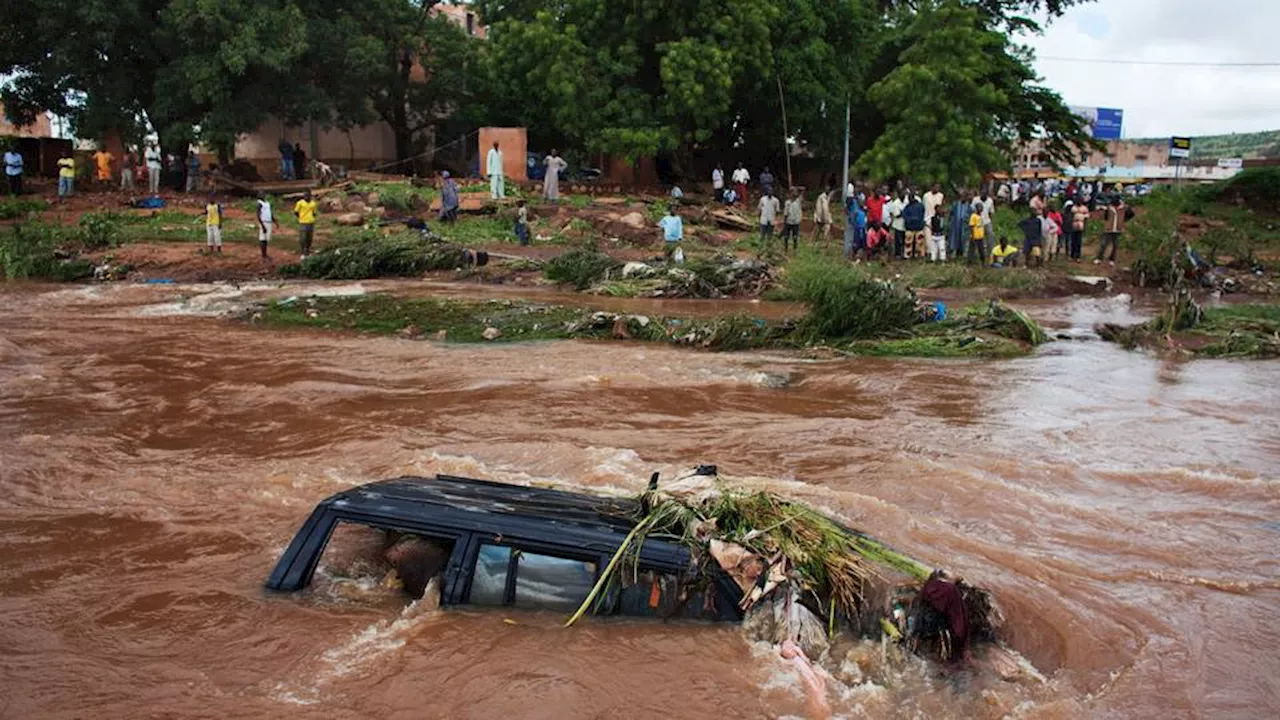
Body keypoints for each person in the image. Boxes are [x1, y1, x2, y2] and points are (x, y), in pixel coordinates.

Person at [1095, 196, 1126, 266]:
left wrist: (1121, 221)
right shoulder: (1109, 209)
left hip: (1118, 229)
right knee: (1104, 244)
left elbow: (1130, 214)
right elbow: (1105, 217)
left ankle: (1112, 259)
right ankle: (1099, 258)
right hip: (1109, 229)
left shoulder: (1122, 209)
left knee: (1115, 245)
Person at [293, 190, 318, 258]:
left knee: (309, 237)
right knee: (303, 237)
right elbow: (296, 212)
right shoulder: (300, 203)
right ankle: (303, 251)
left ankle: (308, 250)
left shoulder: (313, 203)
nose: (306, 197)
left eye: (308, 196)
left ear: (310, 196)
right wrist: (300, 217)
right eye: (305, 196)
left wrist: (312, 218)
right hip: (303, 222)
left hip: (311, 222)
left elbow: (314, 213)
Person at [902, 191, 926, 260]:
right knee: (908, 243)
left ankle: (919, 256)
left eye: (910, 198)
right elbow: (905, 217)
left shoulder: (920, 206)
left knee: (920, 243)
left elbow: (922, 215)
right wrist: (911, 220)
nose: (910, 199)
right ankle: (908, 256)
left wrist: (914, 220)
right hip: (910, 227)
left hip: (918, 227)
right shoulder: (907, 207)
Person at [946, 193, 970, 259]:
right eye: (962, 197)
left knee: (964, 238)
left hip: (964, 225)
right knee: (954, 238)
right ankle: (953, 252)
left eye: (965, 197)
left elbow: (970, 215)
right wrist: (949, 223)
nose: (963, 198)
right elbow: (951, 214)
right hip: (955, 224)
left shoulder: (968, 206)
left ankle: (963, 254)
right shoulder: (955, 204)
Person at [779, 189, 803, 253]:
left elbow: (802, 192)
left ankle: (794, 249)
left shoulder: (798, 202)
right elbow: (786, 213)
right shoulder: (788, 203)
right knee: (786, 236)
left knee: (795, 237)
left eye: (795, 195)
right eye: (793, 195)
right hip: (789, 222)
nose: (794, 196)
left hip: (796, 222)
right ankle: (785, 249)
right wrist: (785, 221)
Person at [202, 192, 224, 256]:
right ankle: (211, 250)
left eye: (212, 198)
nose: (211, 199)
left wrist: (220, 223)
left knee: (217, 237)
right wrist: (203, 213)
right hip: (209, 223)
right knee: (210, 237)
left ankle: (219, 250)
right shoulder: (207, 206)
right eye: (210, 198)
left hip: (216, 223)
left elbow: (220, 215)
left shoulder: (217, 206)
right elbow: (206, 212)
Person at [887, 189, 906, 259]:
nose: (903, 196)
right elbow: (897, 215)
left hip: (905, 225)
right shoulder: (895, 203)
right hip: (898, 225)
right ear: (899, 195)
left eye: (904, 194)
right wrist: (904, 213)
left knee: (905, 241)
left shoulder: (906, 202)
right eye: (901, 194)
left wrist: (903, 213)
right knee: (898, 241)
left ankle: (904, 254)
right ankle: (897, 254)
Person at [1069, 196, 1090, 262]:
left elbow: (1086, 217)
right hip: (1074, 224)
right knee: (1073, 241)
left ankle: (1078, 256)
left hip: (1081, 224)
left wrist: (1085, 227)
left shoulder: (1084, 208)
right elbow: (1070, 216)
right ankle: (1072, 255)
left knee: (1078, 241)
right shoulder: (1073, 208)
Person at [256, 192, 276, 260]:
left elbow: (270, 212)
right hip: (264, 222)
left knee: (266, 239)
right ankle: (263, 255)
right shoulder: (259, 203)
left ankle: (265, 254)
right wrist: (262, 225)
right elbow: (258, 215)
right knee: (263, 239)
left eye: (263, 194)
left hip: (269, 222)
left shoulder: (267, 203)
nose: (263, 195)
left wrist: (275, 221)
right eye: (261, 194)